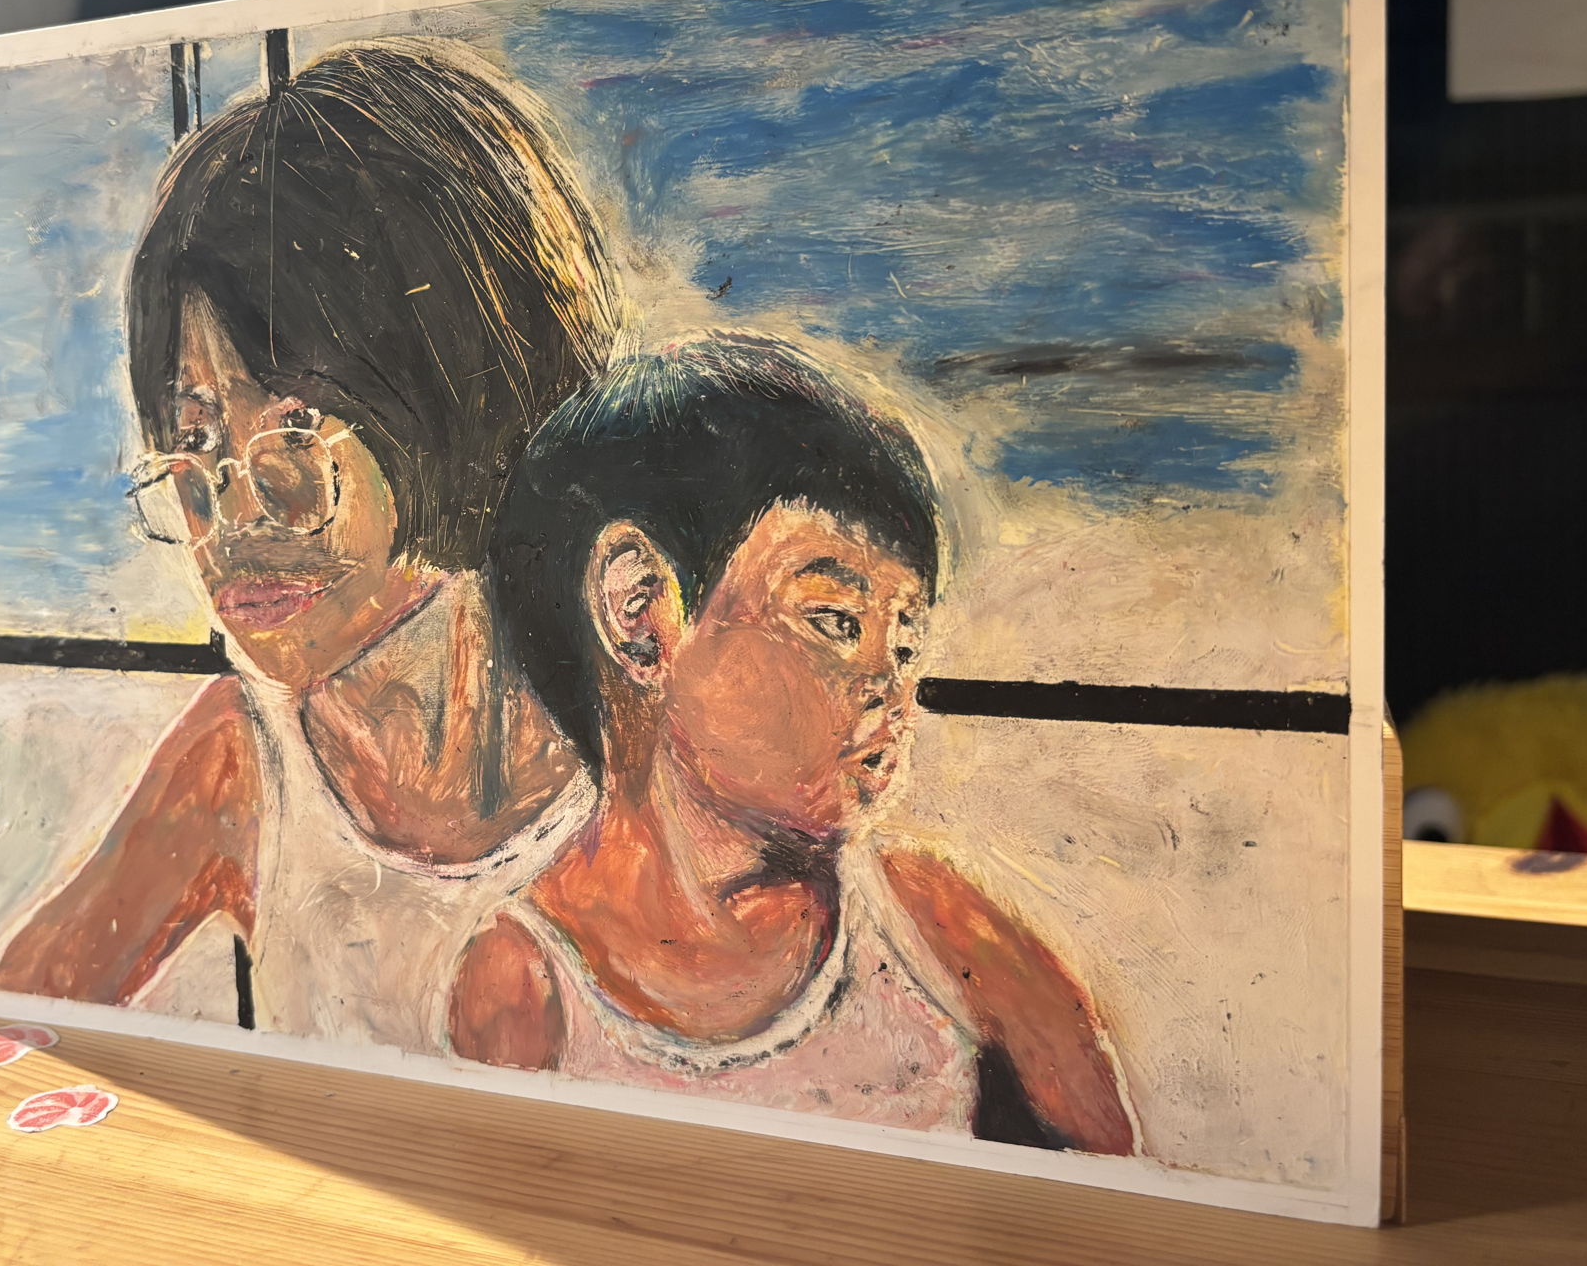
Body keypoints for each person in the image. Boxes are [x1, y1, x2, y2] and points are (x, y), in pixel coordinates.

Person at [0, 38, 621, 1025]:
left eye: (293, 427)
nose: (236, 513)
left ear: (450, 396)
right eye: (194, 437)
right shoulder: (240, 763)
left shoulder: (638, 746)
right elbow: (14, 1011)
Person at [447, 338, 1136, 1154]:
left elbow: (1109, 1181)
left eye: (904, 645)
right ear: (639, 613)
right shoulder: (527, 987)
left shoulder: (934, 931)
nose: (887, 686)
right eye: (834, 622)